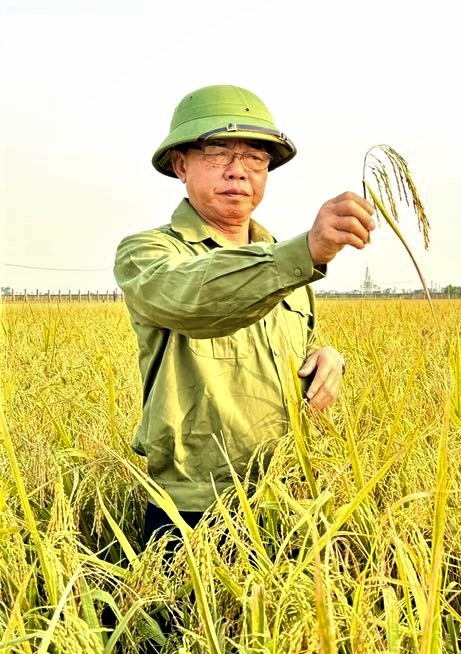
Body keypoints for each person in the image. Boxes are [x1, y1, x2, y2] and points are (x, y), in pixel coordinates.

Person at [114, 85, 375, 546]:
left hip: (285, 494)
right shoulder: (149, 253)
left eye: (255, 158)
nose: (238, 170)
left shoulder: (282, 260)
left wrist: (328, 359)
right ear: (181, 164)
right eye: (218, 153)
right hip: (192, 507)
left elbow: (284, 349)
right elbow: (197, 299)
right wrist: (304, 251)